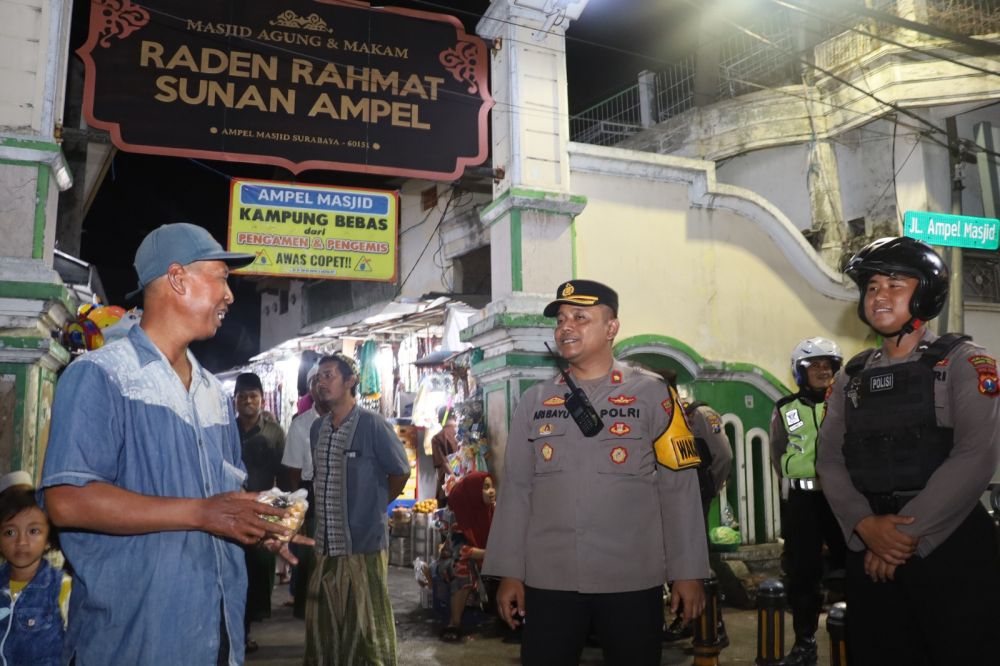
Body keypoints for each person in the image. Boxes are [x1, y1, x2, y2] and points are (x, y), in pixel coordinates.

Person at [40, 222, 307, 665]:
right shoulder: (102, 377)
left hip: (217, 635)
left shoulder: (213, 393)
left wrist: (258, 521)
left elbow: (224, 498)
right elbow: (67, 501)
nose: (230, 295)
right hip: (137, 640)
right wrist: (202, 513)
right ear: (178, 278)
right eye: (221, 278)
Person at [483, 279, 710, 666]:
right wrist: (509, 572)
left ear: (611, 327)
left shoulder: (653, 395)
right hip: (550, 579)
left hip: (631, 579)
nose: (566, 327)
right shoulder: (535, 401)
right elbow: (517, 491)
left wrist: (688, 572)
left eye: (580, 317)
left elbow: (679, 489)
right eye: (561, 319)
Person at [816, 236, 1000, 665]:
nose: (880, 296)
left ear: (926, 292)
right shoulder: (851, 378)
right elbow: (829, 460)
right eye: (872, 287)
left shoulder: (963, 363)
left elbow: (975, 455)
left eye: (895, 285)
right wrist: (865, 526)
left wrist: (900, 537)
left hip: (949, 543)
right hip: (869, 546)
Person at [305, 352, 411, 666]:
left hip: (364, 547)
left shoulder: (372, 425)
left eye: (329, 376)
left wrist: (375, 505)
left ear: (350, 381)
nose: (321, 383)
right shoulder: (317, 429)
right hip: (326, 546)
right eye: (319, 377)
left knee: (368, 629)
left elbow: (400, 471)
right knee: (326, 628)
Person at [769, 337, 847, 666]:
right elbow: (778, 450)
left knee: (852, 567)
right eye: (814, 365)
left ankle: (859, 638)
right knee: (802, 573)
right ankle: (805, 644)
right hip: (803, 500)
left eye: (828, 365)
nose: (822, 370)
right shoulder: (785, 408)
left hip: (842, 498)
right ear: (800, 372)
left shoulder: (847, 404)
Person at [663, 389, 733, 643]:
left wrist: (709, 488)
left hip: (694, 498)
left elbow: (723, 456)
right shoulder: (662, 416)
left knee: (696, 559)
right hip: (670, 500)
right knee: (677, 560)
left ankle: (714, 627)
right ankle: (689, 620)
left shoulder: (700, 414)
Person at [234, 371, 286, 652]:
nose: (247, 401)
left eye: (253, 396)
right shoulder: (226, 430)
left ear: (262, 399)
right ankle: (238, 633)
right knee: (234, 571)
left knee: (259, 570)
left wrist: (285, 513)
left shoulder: (274, 433)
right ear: (235, 400)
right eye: (242, 396)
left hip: (264, 511)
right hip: (231, 511)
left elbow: (284, 474)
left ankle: (248, 627)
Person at [0, 487, 72, 666]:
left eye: (33, 531)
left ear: (48, 536)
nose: (21, 542)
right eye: (10, 532)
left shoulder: (62, 587)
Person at [282, 362, 329, 618]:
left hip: (339, 494)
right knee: (310, 556)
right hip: (311, 495)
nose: (321, 385)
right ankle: (306, 608)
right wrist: (298, 511)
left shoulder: (349, 419)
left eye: (326, 378)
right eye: (315, 381)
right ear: (310, 388)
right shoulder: (300, 425)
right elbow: (293, 472)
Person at [436, 471, 496, 642]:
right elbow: (462, 551)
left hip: (484, 558)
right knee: (464, 567)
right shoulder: (459, 516)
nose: (492, 491)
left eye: (492, 486)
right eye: (485, 487)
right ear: (473, 492)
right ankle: (454, 624)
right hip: (452, 562)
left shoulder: (492, 511)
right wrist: (494, 554)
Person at [431, 412, 459, 507]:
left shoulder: (437, 438)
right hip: (466, 481)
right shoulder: (464, 433)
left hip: (447, 485)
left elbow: (443, 462)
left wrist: (454, 479)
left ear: (440, 420)